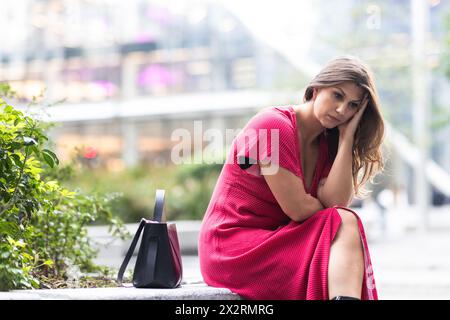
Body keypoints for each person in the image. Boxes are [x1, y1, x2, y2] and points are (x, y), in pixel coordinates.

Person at [198, 55, 385, 300]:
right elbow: (299, 210)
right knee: (343, 222)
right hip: (230, 248)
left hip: (277, 241)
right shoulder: (273, 125)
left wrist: (347, 139)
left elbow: (336, 204)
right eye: (337, 95)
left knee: (343, 221)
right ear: (316, 89)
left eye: (353, 106)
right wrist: (322, 207)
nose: (342, 110)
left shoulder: (328, 145)